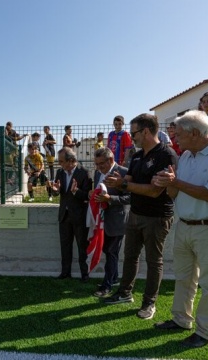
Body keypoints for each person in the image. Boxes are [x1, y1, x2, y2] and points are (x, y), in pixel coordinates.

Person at [152, 110, 208, 348]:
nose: (175, 138)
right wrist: (166, 183)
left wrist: (174, 182)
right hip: (185, 225)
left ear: (193, 133)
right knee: (183, 277)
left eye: (178, 133)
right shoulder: (186, 156)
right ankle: (181, 319)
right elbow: (175, 192)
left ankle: (204, 331)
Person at [102, 114, 178, 321]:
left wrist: (124, 185)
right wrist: (119, 182)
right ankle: (125, 293)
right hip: (135, 214)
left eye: (133, 132)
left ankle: (149, 303)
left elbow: (154, 191)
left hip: (157, 217)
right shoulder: (136, 156)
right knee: (130, 256)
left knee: (154, 261)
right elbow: (127, 180)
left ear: (145, 131)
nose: (131, 136)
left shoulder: (166, 155)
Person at [88, 147, 129, 297]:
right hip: (101, 220)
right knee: (108, 251)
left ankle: (107, 286)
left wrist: (109, 199)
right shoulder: (98, 173)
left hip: (117, 221)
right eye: (97, 164)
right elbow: (98, 191)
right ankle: (114, 278)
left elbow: (130, 198)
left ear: (111, 160)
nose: (99, 167)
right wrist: (93, 194)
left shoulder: (124, 172)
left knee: (111, 252)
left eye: (101, 164)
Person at [51, 147, 92, 282]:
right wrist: (55, 191)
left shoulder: (84, 173)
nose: (60, 164)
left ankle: (84, 274)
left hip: (79, 216)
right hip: (64, 216)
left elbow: (88, 195)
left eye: (62, 161)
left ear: (71, 161)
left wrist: (76, 192)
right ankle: (65, 272)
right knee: (65, 245)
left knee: (82, 246)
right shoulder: (60, 173)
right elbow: (58, 192)